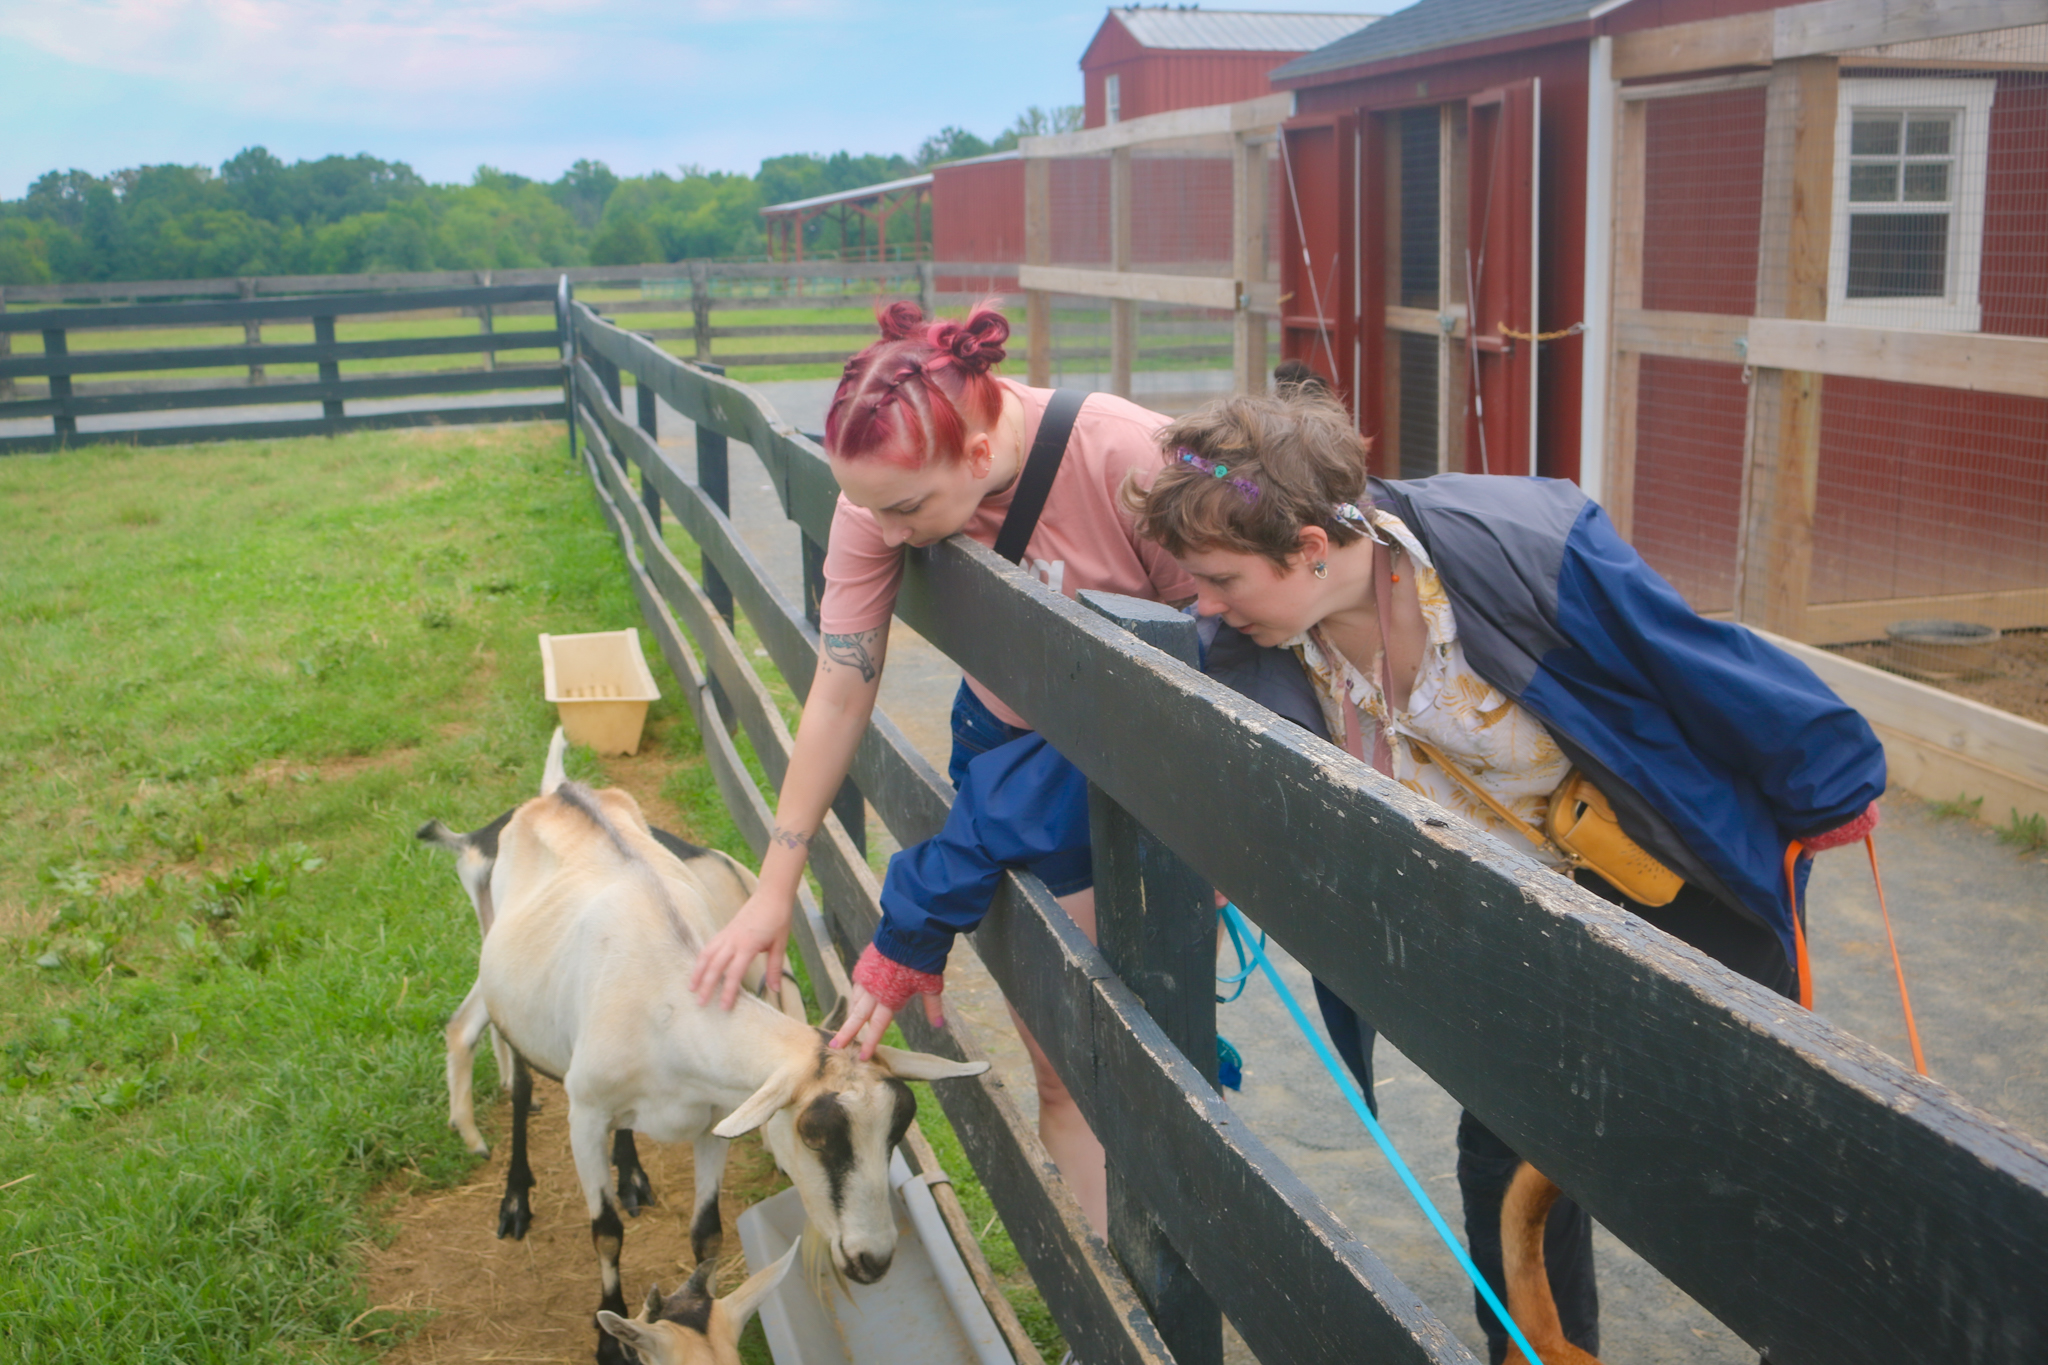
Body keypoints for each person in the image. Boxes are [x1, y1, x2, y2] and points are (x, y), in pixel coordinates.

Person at [1123, 389, 1885, 1364]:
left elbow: (1693, 661)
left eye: (1222, 579)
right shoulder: (1254, 647)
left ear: (1311, 546)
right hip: (1510, 932)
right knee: (1508, 1164)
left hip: (1666, 892)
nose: (1205, 604)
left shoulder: (1519, 545)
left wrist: (1825, 779)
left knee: (1737, 1160)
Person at [690, 300, 1193, 1234]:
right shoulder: (882, 497)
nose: (882, 532)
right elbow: (841, 689)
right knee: (1060, 1066)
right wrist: (775, 883)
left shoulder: (1133, 458)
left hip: (1129, 796)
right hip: (1007, 768)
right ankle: (1114, 1300)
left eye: (905, 507)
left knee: (1138, 1054)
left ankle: (1168, 1275)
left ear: (974, 452)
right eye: (866, 505)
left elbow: (1225, 658)